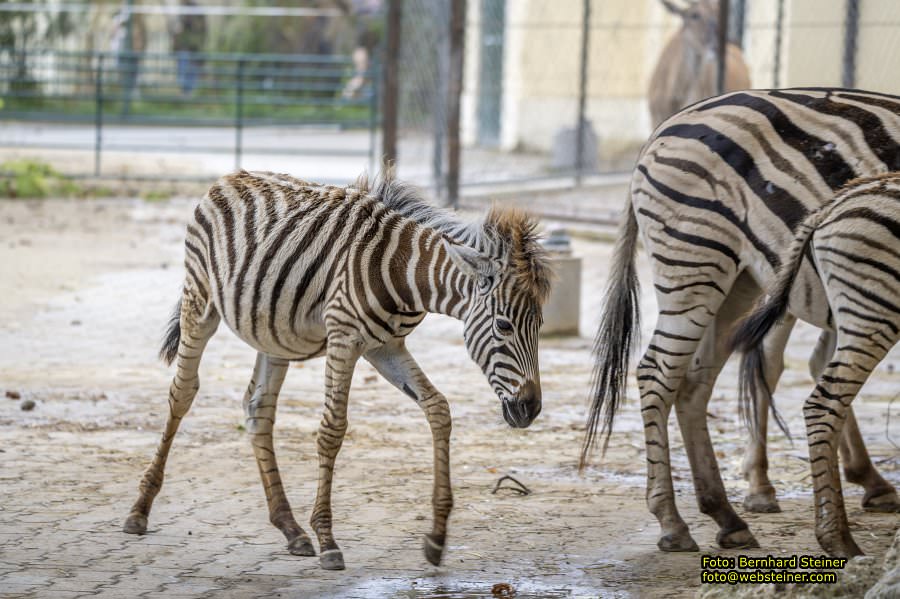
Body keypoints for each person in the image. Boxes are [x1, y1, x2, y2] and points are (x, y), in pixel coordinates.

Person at [110, 4, 146, 117]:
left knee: (133, 75)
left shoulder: (134, 17)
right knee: (123, 74)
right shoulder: (117, 17)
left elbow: (137, 35)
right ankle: (124, 100)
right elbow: (112, 34)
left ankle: (133, 100)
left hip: (131, 54)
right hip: (120, 52)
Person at [170, 0, 206, 95]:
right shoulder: (180, 9)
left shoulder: (196, 9)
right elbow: (176, 30)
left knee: (191, 70)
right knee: (183, 70)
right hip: (183, 47)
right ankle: (185, 93)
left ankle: (190, 93)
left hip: (193, 47)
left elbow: (201, 29)